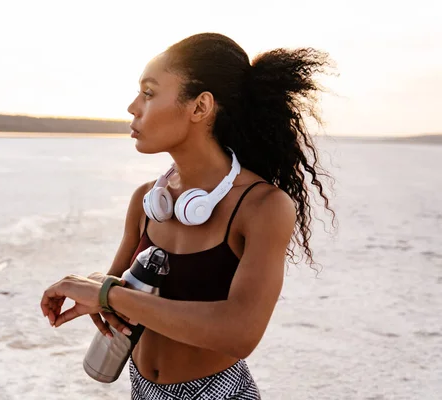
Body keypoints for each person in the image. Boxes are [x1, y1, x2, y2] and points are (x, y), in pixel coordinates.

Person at [41, 32, 336, 399]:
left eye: (149, 93)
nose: (133, 107)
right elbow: (118, 293)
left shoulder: (263, 207)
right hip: (141, 389)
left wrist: (108, 293)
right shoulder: (146, 200)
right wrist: (99, 290)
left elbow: (240, 333)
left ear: (200, 107)